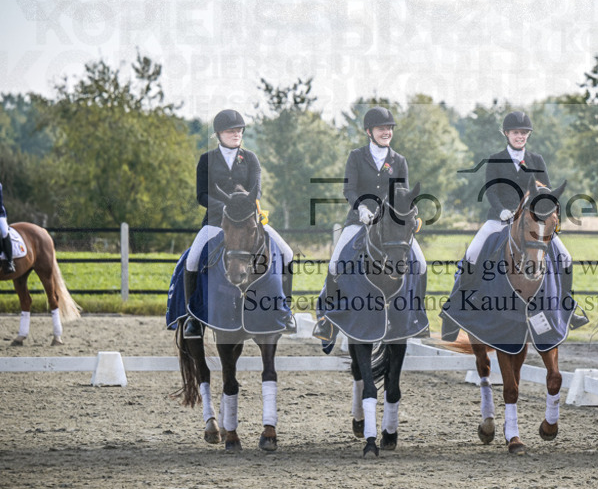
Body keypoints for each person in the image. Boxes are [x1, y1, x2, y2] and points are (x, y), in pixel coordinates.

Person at [460, 110, 586, 328]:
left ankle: (568, 305)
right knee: (472, 253)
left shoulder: (536, 160)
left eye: (524, 133)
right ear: (507, 133)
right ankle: (467, 299)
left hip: (533, 220)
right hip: (501, 218)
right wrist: (501, 210)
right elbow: (491, 191)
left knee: (565, 257)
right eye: (516, 133)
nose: (520, 136)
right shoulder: (496, 159)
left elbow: (545, 189)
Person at [313, 106, 427, 339]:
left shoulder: (399, 161)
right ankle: (327, 319)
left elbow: (402, 194)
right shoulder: (356, 156)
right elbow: (349, 189)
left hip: (391, 225)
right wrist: (361, 208)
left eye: (389, 128)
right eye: (381, 128)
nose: (386, 132)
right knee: (335, 263)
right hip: (359, 219)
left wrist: (409, 214)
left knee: (421, 264)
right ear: (369, 131)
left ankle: (417, 317)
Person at [183, 109, 295, 338]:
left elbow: (257, 189)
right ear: (218, 134)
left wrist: (241, 207)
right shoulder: (207, 160)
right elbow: (201, 195)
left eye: (239, 130)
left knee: (288, 253)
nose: (236, 134)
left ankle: (286, 312)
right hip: (216, 222)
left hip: (248, 222)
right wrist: (224, 207)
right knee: (193, 258)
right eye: (230, 130)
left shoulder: (250, 158)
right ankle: (192, 317)